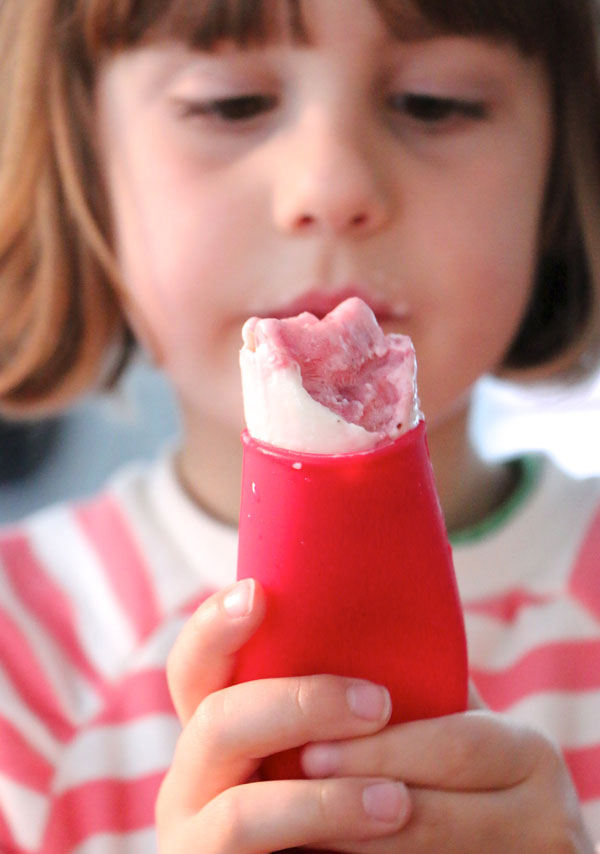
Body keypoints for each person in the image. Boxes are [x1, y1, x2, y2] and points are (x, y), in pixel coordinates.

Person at [0, 0, 599, 850]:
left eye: (435, 102)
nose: (331, 186)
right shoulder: (22, 665)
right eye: (229, 105)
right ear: (85, 164)